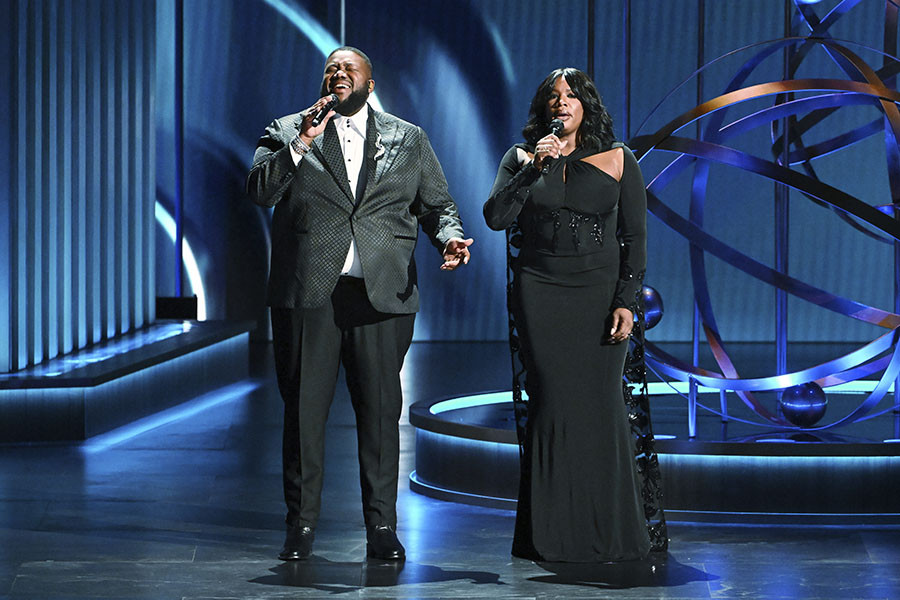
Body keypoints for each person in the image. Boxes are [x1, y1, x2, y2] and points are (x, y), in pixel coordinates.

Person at [247, 46, 473, 562]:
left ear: (370, 84)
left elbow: (437, 205)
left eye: (350, 68)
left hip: (381, 294)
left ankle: (382, 527)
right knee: (304, 414)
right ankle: (300, 528)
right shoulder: (287, 129)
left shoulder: (407, 138)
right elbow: (259, 190)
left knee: (379, 414)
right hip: (308, 293)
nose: (338, 72)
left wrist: (451, 238)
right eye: (332, 67)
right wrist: (302, 141)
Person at [484, 67, 663, 562]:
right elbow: (496, 217)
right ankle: (551, 534)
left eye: (571, 96)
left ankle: (611, 531)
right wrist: (532, 170)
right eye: (553, 97)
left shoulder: (618, 158)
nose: (561, 103)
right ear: (543, 109)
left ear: (587, 104)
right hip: (541, 293)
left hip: (599, 295)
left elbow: (635, 237)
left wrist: (627, 301)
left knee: (601, 407)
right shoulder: (521, 157)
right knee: (553, 405)